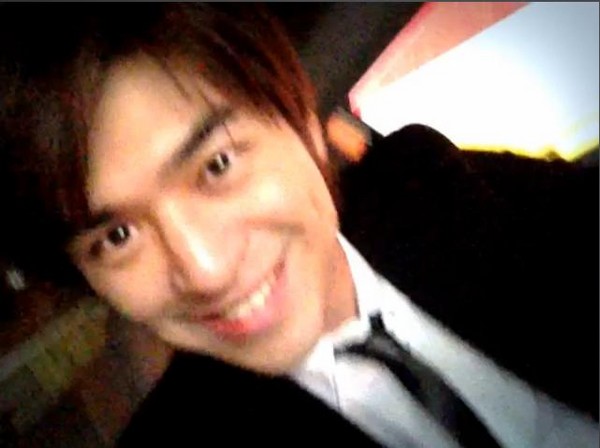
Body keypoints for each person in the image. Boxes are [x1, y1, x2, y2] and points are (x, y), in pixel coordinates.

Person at [0, 4, 597, 447]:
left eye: (217, 165)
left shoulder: (429, 182)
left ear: (303, 125)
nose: (206, 271)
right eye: (117, 237)